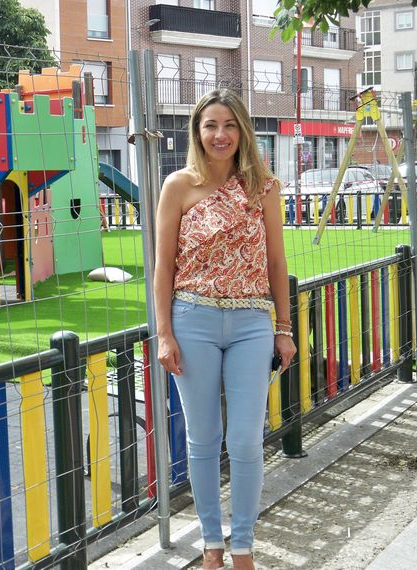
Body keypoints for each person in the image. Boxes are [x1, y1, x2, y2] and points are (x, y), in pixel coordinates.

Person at [154, 89, 297, 570]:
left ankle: (242, 547)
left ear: (243, 132)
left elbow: (276, 262)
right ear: (197, 131)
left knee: (244, 440)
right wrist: (165, 334)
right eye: (211, 125)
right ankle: (211, 543)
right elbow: (162, 269)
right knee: (202, 436)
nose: (221, 135)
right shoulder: (178, 185)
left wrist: (284, 326)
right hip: (191, 318)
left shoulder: (264, 187)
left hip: (253, 324)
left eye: (230, 125)